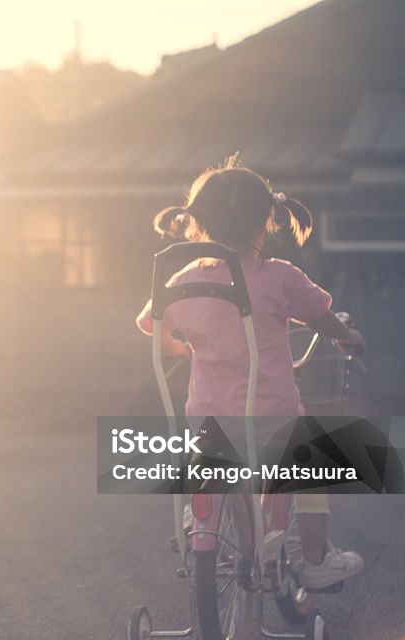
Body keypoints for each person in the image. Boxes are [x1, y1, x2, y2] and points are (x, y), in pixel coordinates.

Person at [136, 156, 366, 589]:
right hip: (271, 420)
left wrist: (181, 347)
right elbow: (319, 316)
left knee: (210, 457)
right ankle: (315, 562)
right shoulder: (278, 276)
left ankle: (200, 511)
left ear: (198, 221)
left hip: (207, 423)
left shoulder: (183, 279)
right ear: (266, 220)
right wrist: (347, 335)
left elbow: (150, 325)